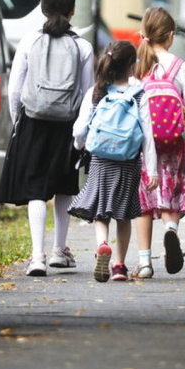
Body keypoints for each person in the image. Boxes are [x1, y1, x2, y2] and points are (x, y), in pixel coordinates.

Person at [0, 0, 95, 277]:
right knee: (65, 186)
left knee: (36, 189)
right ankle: (58, 250)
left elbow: (15, 89)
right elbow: (87, 92)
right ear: (73, 10)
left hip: (34, 122)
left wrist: (20, 122)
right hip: (67, 124)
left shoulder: (29, 41)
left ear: (42, 8)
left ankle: (36, 256)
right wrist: (83, 133)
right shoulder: (83, 46)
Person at [68, 41, 158, 282]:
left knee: (101, 212)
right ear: (131, 65)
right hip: (129, 161)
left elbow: (79, 129)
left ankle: (102, 244)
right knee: (124, 214)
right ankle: (119, 266)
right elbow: (148, 135)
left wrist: (79, 145)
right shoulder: (139, 94)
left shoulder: (97, 92)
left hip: (100, 159)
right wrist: (153, 170)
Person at [133, 7, 185, 279]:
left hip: (144, 145)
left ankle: (144, 262)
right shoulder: (182, 67)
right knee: (169, 197)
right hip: (174, 144)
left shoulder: (138, 67)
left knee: (144, 201)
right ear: (171, 36)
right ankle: (171, 231)